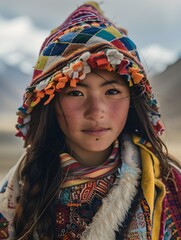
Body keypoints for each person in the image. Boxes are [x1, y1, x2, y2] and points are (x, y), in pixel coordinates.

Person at [0, 2, 180, 239]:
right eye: (76, 93)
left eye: (112, 91)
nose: (96, 112)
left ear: (132, 101)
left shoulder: (170, 186)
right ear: (51, 102)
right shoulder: (18, 189)